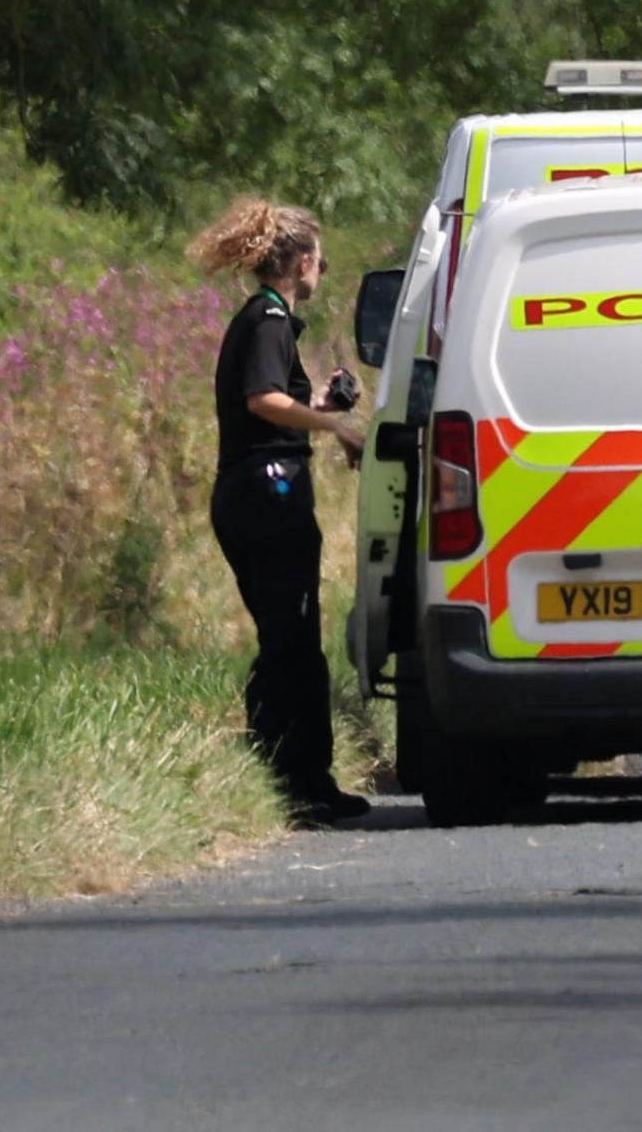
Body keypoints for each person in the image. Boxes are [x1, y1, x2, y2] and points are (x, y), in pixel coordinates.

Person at [188, 197, 372, 828]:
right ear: (300, 262)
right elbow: (263, 400)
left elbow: (275, 398)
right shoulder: (267, 319)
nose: (322, 271)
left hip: (257, 491)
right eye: (320, 260)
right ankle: (296, 781)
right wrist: (336, 428)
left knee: (288, 639)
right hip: (266, 494)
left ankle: (297, 775)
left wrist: (321, 400)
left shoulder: (266, 322)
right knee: (291, 640)